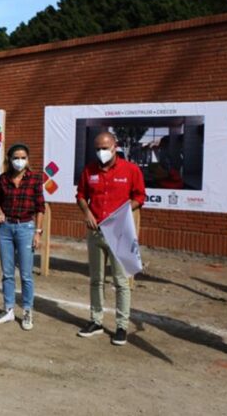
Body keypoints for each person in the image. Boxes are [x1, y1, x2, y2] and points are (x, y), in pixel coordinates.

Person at [75, 131, 146, 346]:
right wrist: (87, 212)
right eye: (98, 148)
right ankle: (96, 321)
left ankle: (121, 326)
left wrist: (124, 210)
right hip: (95, 232)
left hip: (119, 232)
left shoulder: (130, 170)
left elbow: (140, 196)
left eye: (105, 148)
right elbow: (80, 195)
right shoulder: (89, 170)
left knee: (120, 281)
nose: (101, 152)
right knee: (96, 279)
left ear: (115, 147)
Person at [0, 143, 45, 330]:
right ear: (9, 159)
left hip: (26, 228)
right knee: (7, 273)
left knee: (26, 274)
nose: (19, 161)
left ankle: (27, 311)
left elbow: (40, 208)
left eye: (23, 157)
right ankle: (8, 309)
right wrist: (0, 212)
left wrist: (38, 233)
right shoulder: (3, 179)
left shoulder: (35, 179)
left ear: (28, 159)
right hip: (5, 229)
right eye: (16, 157)